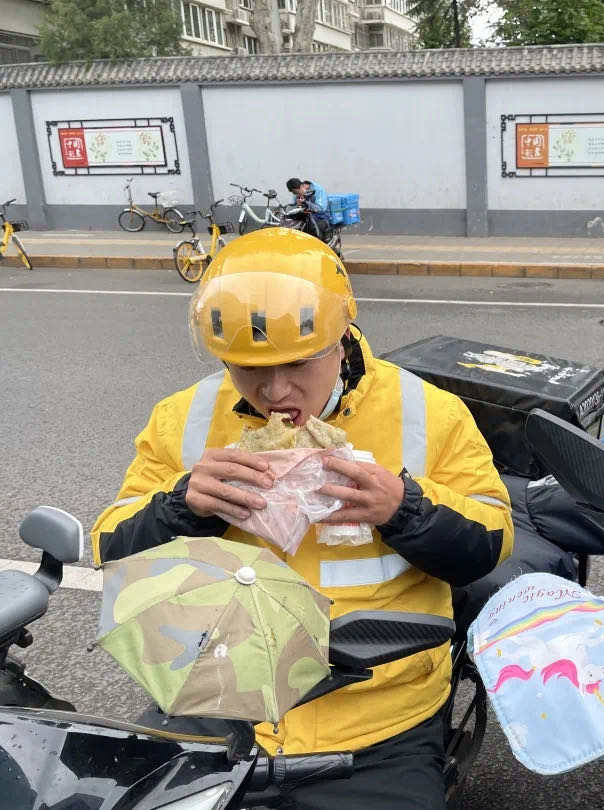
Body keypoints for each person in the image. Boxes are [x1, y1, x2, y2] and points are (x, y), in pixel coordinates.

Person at [91, 228, 514, 810]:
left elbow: (487, 545)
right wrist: (181, 504)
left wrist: (403, 509)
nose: (274, 391)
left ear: (341, 337)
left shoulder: (427, 412)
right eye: (247, 369)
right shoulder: (184, 418)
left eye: (296, 364)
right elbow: (112, 549)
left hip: (378, 717)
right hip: (220, 701)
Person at [286, 177, 333, 243]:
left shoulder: (318, 190)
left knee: (312, 231)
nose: (297, 195)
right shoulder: (297, 192)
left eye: (297, 192)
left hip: (321, 216)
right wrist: (296, 205)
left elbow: (321, 209)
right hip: (307, 216)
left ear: (302, 186)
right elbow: (293, 205)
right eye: (294, 193)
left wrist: (306, 202)